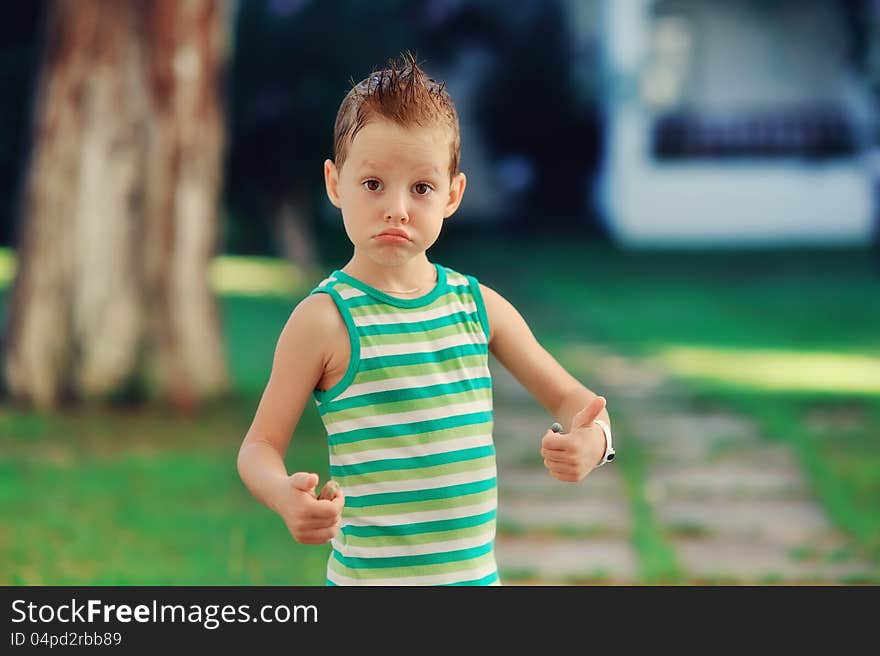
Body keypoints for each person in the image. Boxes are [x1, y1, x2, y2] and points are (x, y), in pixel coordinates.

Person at [236, 53, 614, 586]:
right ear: (335, 182)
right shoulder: (324, 321)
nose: (397, 208)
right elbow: (258, 448)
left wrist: (595, 443)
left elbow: (583, 405)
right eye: (372, 184)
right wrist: (282, 496)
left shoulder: (479, 308)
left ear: (453, 194)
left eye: (421, 188)